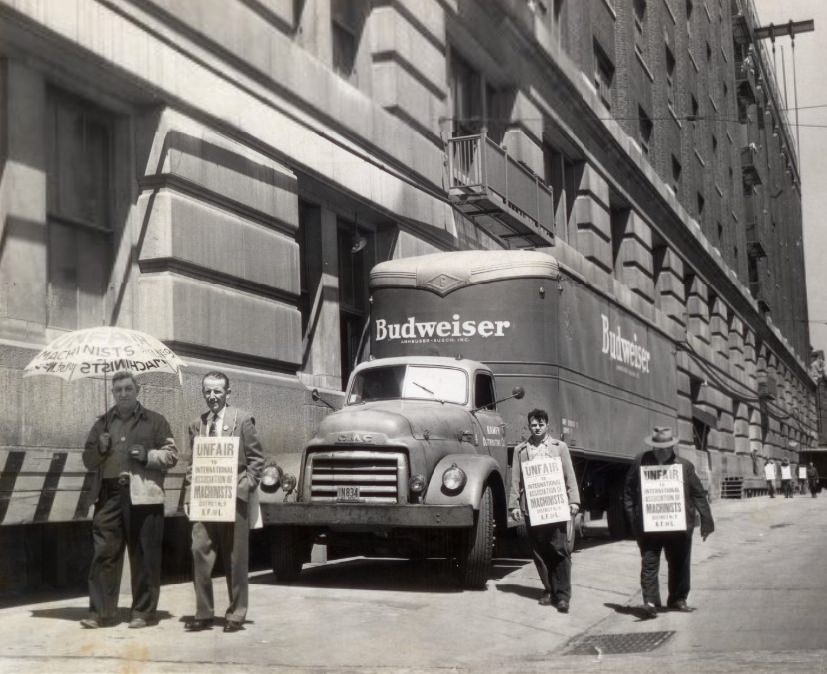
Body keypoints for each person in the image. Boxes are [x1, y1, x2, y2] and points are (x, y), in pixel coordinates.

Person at [80, 370, 178, 629]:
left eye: (127, 389)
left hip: (143, 495)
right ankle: (100, 613)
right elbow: (88, 460)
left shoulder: (155, 421)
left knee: (144, 555)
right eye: (118, 390)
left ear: (137, 391)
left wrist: (148, 455)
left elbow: (171, 455)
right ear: (112, 393)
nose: (123, 394)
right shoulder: (101, 424)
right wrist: (100, 448)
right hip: (108, 494)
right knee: (104, 553)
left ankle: (142, 613)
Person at [184, 372, 265, 633]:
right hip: (205, 497)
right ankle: (204, 613)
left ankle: (236, 614)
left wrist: (245, 485)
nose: (213, 396)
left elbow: (257, 460)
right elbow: (192, 464)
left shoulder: (242, 420)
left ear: (228, 393)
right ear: (202, 393)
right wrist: (189, 494)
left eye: (217, 391)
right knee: (199, 551)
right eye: (208, 391)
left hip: (234, 498)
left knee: (235, 558)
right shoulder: (197, 424)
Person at [623, 426, 714, 619]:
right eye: (657, 447)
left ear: (672, 447)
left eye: (664, 448)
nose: (660, 451)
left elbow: (698, 494)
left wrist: (707, 521)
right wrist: (634, 519)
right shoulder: (640, 462)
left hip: (678, 525)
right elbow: (628, 492)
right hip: (649, 526)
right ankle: (650, 602)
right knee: (649, 562)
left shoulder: (684, 466)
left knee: (680, 563)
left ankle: (678, 599)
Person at [508, 408, 580, 613]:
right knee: (539, 551)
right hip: (532, 508)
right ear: (528, 426)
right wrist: (514, 505)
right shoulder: (520, 450)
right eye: (533, 424)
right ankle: (549, 590)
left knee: (559, 548)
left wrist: (574, 501)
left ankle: (563, 595)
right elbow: (515, 479)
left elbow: (570, 475)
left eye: (541, 424)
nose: (537, 428)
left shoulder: (560, 447)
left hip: (555, 506)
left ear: (547, 425)